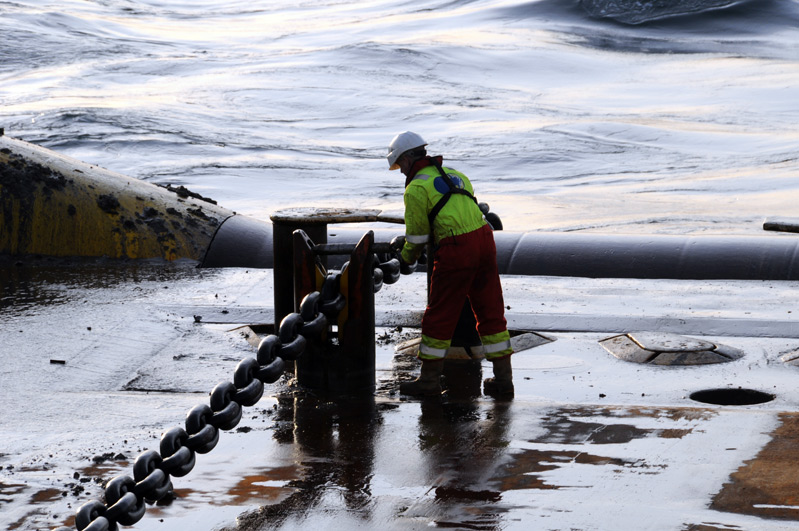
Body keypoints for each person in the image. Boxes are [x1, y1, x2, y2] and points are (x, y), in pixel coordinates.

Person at [386, 131, 514, 397]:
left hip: (457, 250)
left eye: (400, 164)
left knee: (439, 315)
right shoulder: (456, 174)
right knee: (490, 308)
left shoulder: (416, 189)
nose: (400, 172)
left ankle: (429, 382)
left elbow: (418, 236)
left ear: (409, 158)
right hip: (485, 239)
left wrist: (406, 259)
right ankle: (504, 381)